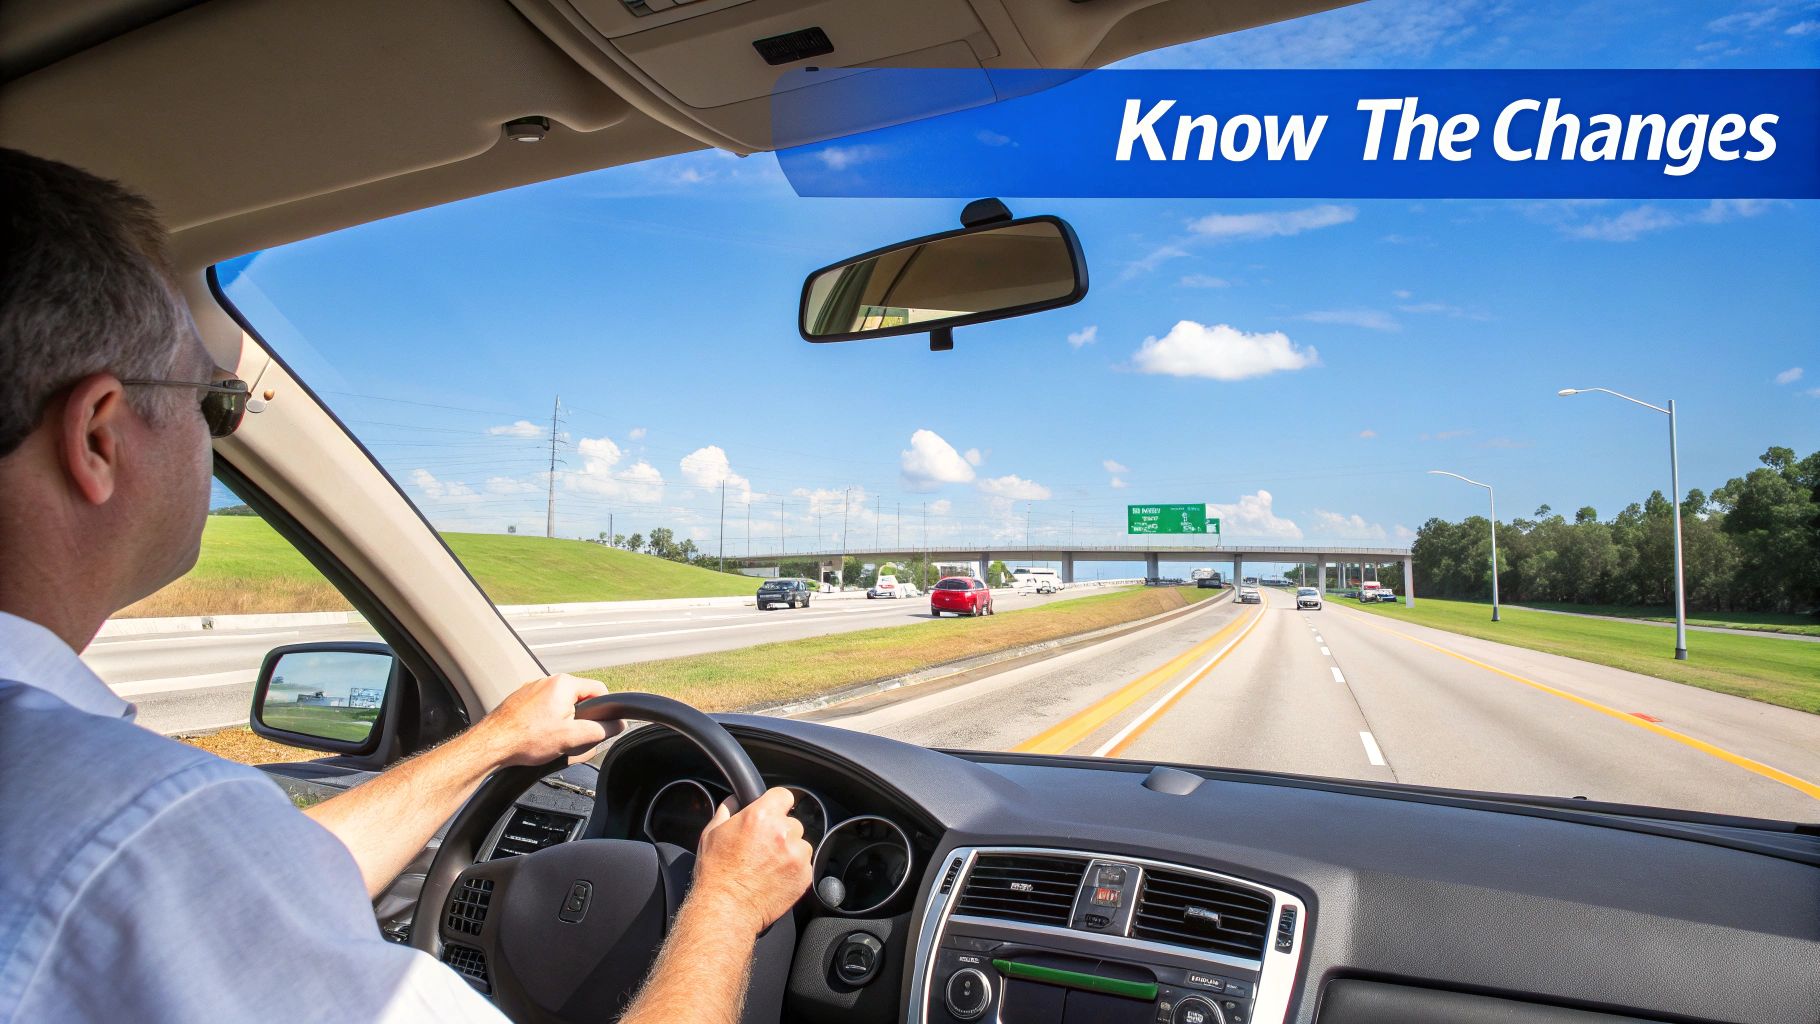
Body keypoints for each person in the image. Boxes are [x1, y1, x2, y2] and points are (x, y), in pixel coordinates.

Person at [0, 145, 814, 1021]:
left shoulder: (123, 829)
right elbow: (194, 866)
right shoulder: (138, 827)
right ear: (97, 438)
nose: (216, 443)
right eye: (216, 406)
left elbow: (251, 878)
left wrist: (493, 741)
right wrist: (728, 902)